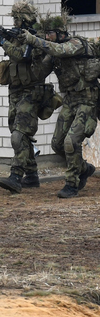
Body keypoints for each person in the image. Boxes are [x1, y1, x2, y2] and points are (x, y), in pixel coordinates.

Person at [20, 10, 98, 198]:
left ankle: (72, 183)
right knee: (57, 144)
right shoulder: (52, 52)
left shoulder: (76, 44)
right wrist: (34, 53)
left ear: (62, 33)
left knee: (71, 141)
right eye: (45, 34)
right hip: (70, 100)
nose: (48, 37)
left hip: (87, 100)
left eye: (51, 34)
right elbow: (38, 74)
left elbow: (60, 50)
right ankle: (84, 169)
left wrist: (35, 41)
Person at [0, 0, 58, 194]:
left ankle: (16, 176)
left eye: (17, 19)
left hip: (31, 92)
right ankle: (31, 175)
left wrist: (2, 41)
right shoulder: (16, 35)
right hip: (15, 90)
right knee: (17, 130)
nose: (15, 23)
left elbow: (23, 55)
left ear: (24, 19)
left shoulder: (35, 37)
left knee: (19, 135)